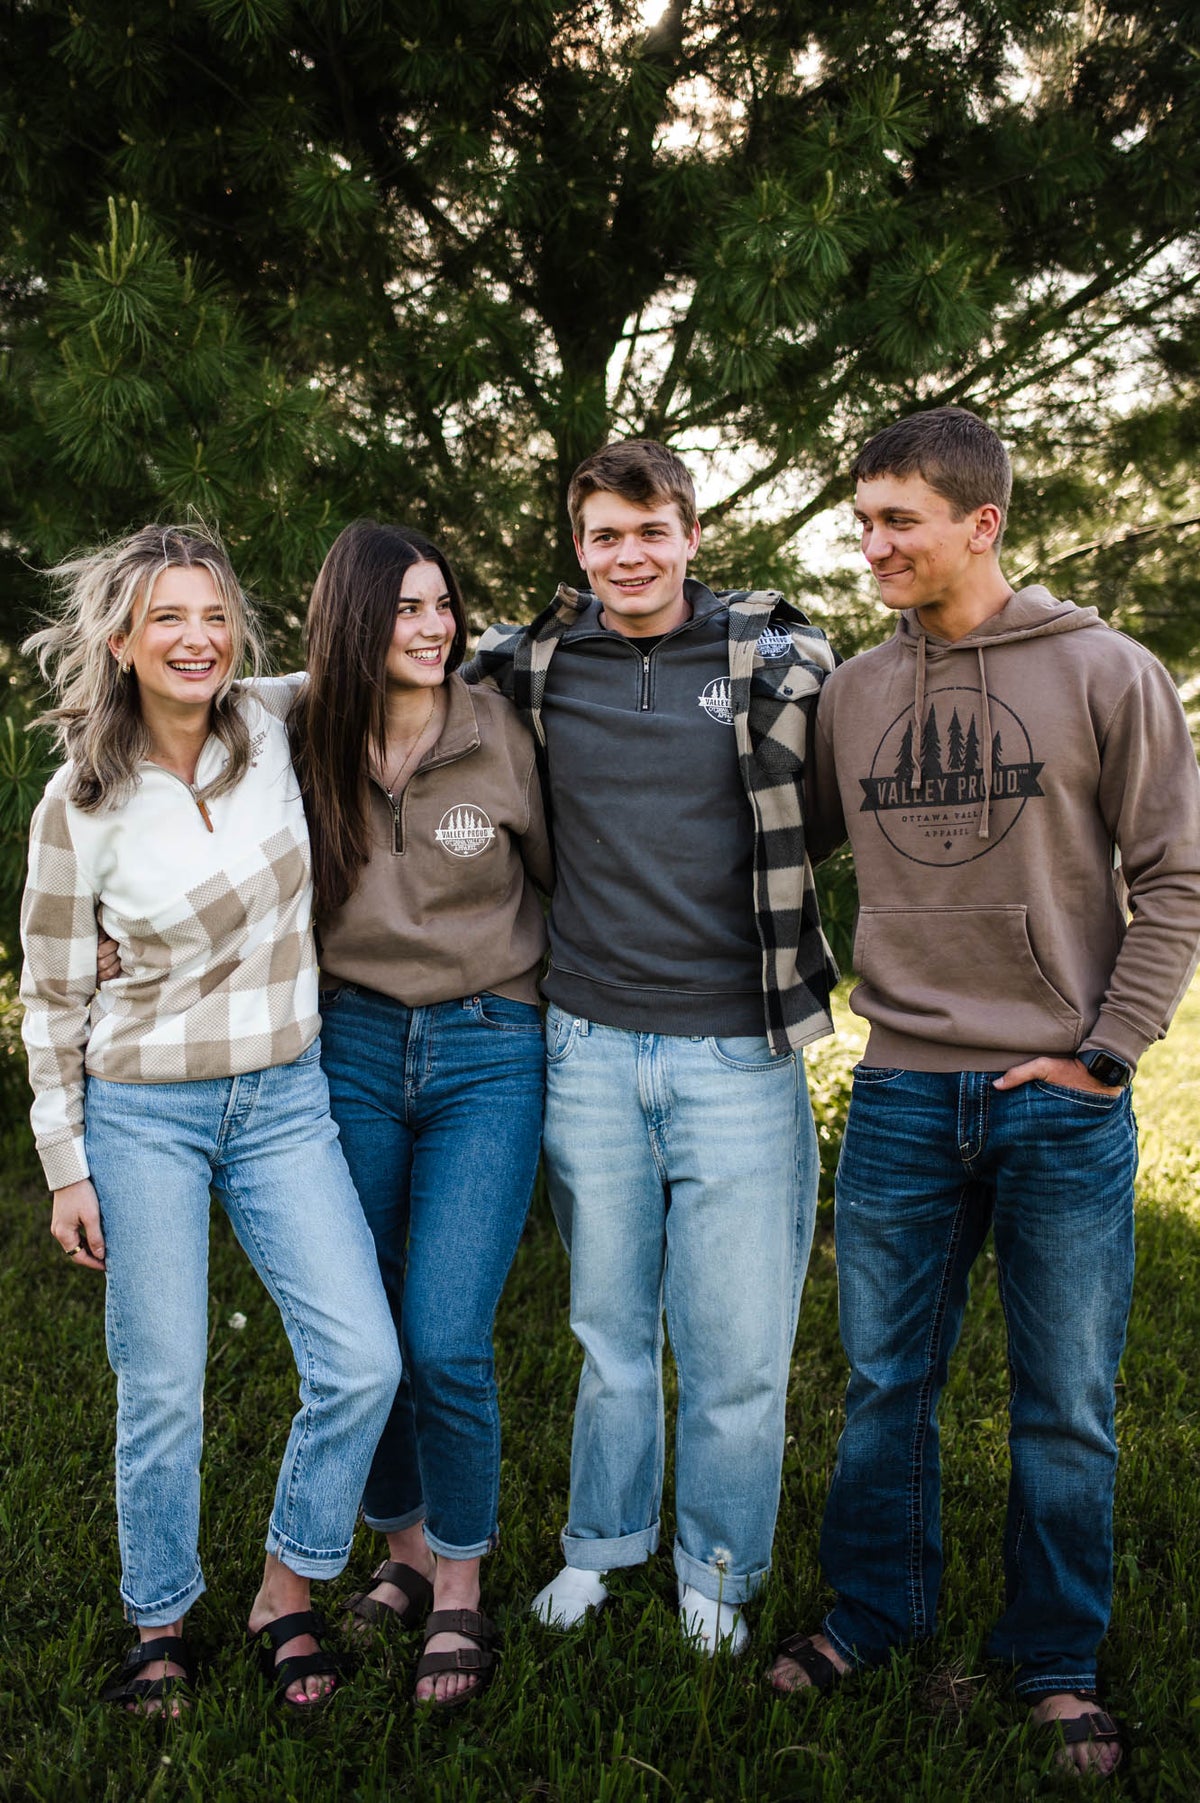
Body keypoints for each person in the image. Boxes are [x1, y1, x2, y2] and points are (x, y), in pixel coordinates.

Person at [770, 407, 1200, 1776]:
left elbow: (1178, 879)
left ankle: (1053, 1653)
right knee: (887, 1378)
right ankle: (874, 1610)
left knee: (1065, 1392)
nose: (872, 542)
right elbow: (767, 846)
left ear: (983, 523)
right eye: (864, 518)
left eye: (898, 519)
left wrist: (1104, 1051)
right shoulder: (849, 692)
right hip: (900, 1088)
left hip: (1057, 1095)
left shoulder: (1106, 672)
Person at [19, 524, 401, 1715]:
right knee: (165, 1383)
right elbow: (51, 992)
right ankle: (160, 1621)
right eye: (167, 619)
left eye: (215, 614)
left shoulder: (277, 725)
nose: (197, 638)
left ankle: (286, 1591)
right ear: (123, 641)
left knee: (360, 1361)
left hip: (286, 1098)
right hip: (143, 1116)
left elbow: (409, 644)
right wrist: (65, 1162)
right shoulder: (79, 800)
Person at [464, 439, 837, 1655]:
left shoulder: (769, 656)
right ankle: (600, 1547)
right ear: (579, 549)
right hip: (585, 1044)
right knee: (609, 1329)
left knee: (735, 1348)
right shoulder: (529, 669)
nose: (630, 555)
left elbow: (878, 709)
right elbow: (377, 682)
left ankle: (716, 1571)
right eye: (604, 536)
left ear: (690, 533)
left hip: (738, 1049)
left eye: (651, 531)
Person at [280, 521, 553, 1708]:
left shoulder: (501, 733)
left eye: (444, 605)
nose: (436, 629)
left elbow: (564, 880)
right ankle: (397, 1551)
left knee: (444, 1337)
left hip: (489, 1049)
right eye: (405, 610)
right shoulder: (299, 740)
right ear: (353, 627)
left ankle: (460, 1581)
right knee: (372, 1335)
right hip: (346, 1045)